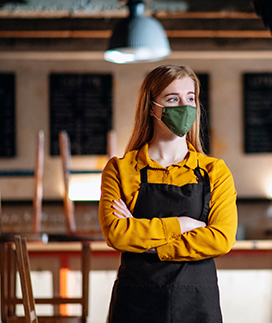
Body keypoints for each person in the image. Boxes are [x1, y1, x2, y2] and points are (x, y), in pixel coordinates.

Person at [99, 65, 238, 323]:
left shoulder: (215, 171)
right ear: (151, 108)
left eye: (190, 98)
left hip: (197, 303)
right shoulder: (120, 170)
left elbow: (221, 238)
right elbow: (117, 234)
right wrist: (182, 224)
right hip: (136, 303)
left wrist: (148, 244)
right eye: (172, 99)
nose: (184, 106)